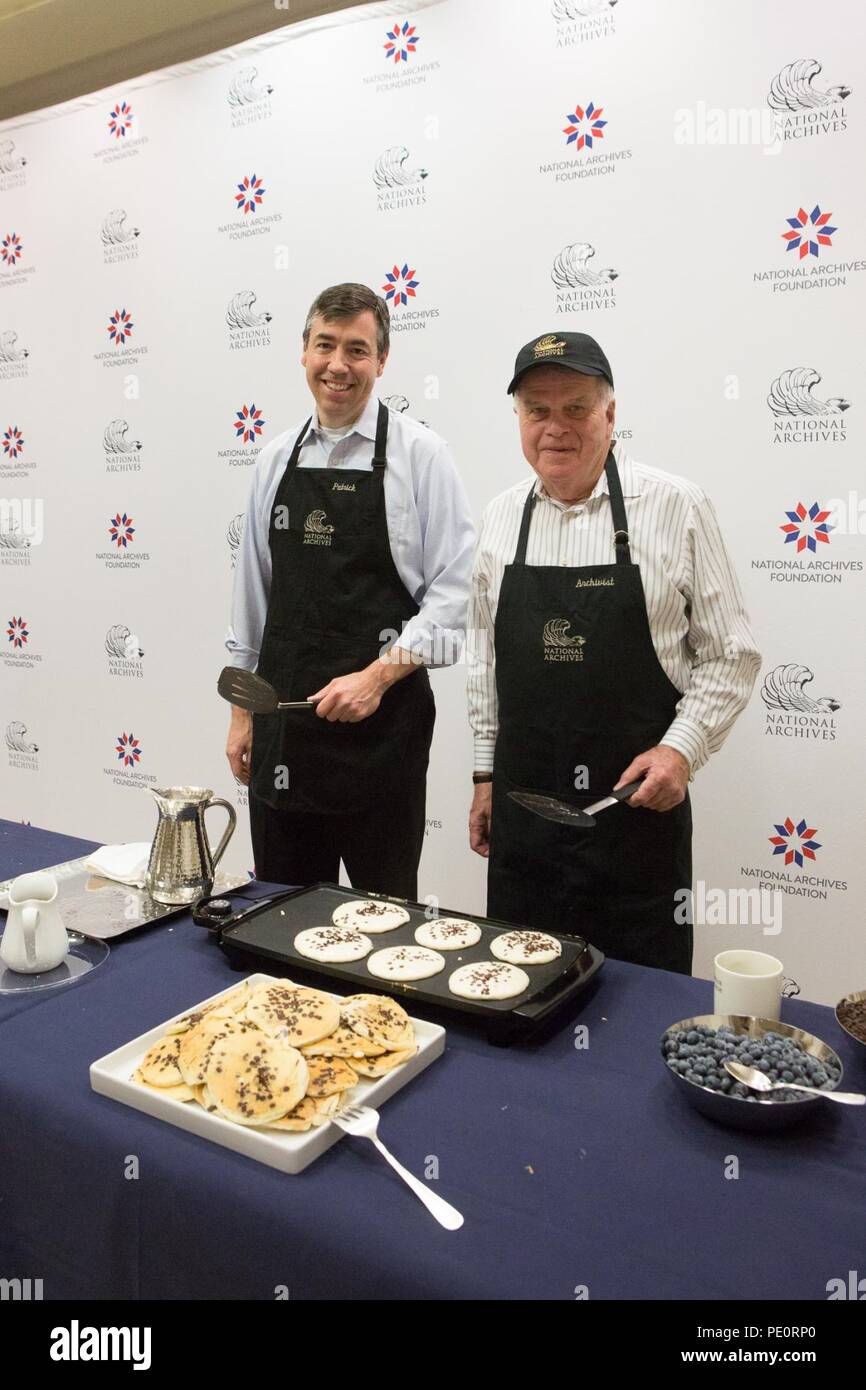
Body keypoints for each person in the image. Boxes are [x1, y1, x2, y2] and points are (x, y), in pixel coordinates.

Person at [467, 331, 760, 973]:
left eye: (576, 407)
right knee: (517, 1002)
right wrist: (484, 776)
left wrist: (680, 749)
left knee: (640, 1013)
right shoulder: (498, 519)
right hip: (526, 822)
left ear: (611, 414)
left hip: (636, 823)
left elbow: (732, 655)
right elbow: (485, 665)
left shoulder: (676, 506)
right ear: (518, 417)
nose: (555, 428)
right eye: (537, 411)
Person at [226, 282, 475, 897]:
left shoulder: (422, 456)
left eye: (357, 350)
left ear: (381, 361)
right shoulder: (273, 459)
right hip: (286, 730)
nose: (338, 365)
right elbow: (253, 594)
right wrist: (240, 711)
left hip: (383, 739)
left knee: (384, 933)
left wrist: (376, 678)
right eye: (325, 346)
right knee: (279, 920)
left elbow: (455, 595)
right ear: (304, 353)